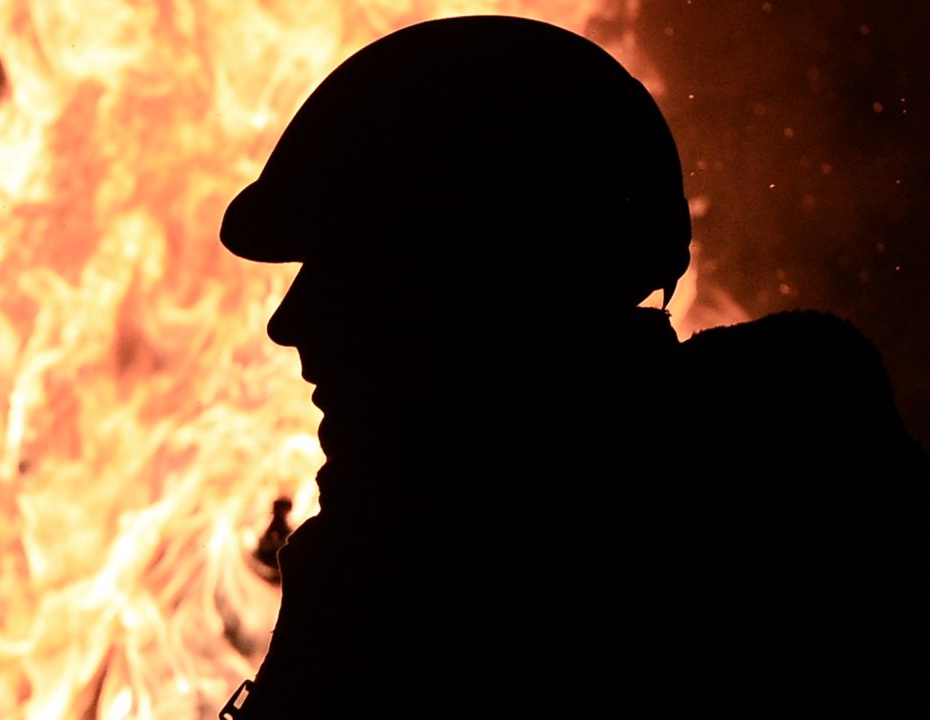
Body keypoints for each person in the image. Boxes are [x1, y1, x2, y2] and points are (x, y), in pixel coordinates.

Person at [217, 16, 928, 716]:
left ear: (494, 286)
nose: (291, 323)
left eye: (353, 271)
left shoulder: (707, 583)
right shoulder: (431, 562)